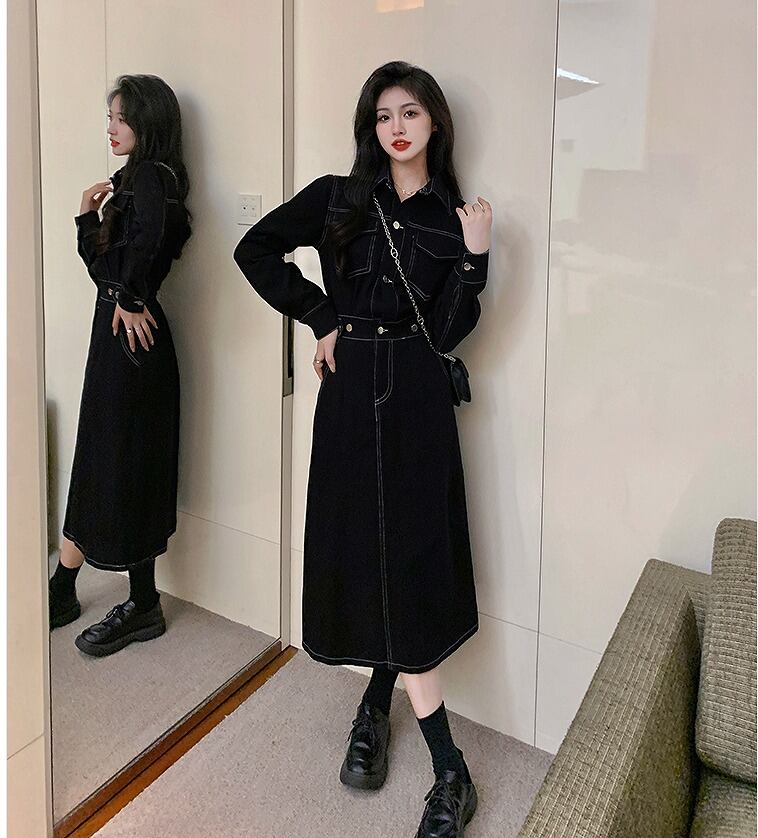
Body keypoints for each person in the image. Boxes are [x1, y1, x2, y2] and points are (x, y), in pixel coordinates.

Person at [234, 60, 491, 836]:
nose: (397, 127)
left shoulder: (452, 218)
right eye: (383, 115)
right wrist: (321, 318)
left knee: (408, 555)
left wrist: (475, 256)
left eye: (410, 112)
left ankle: (445, 765)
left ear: (435, 122)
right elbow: (254, 250)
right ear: (369, 128)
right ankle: (382, 705)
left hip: (415, 397)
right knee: (362, 546)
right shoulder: (338, 198)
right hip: (350, 394)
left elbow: (447, 330)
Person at [48, 74, 191, 658]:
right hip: (117, 336)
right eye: (109, 116)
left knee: (125, 462)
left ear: (148, 121)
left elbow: (152, 241)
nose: (110, 127)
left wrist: (130, 296)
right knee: (106, 458)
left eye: (121, 118)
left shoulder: (154, 178)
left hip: (134, 340)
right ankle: (68, 586)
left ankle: (137, 602)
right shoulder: (132, 180)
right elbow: (104, 269)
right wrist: (87, 217)